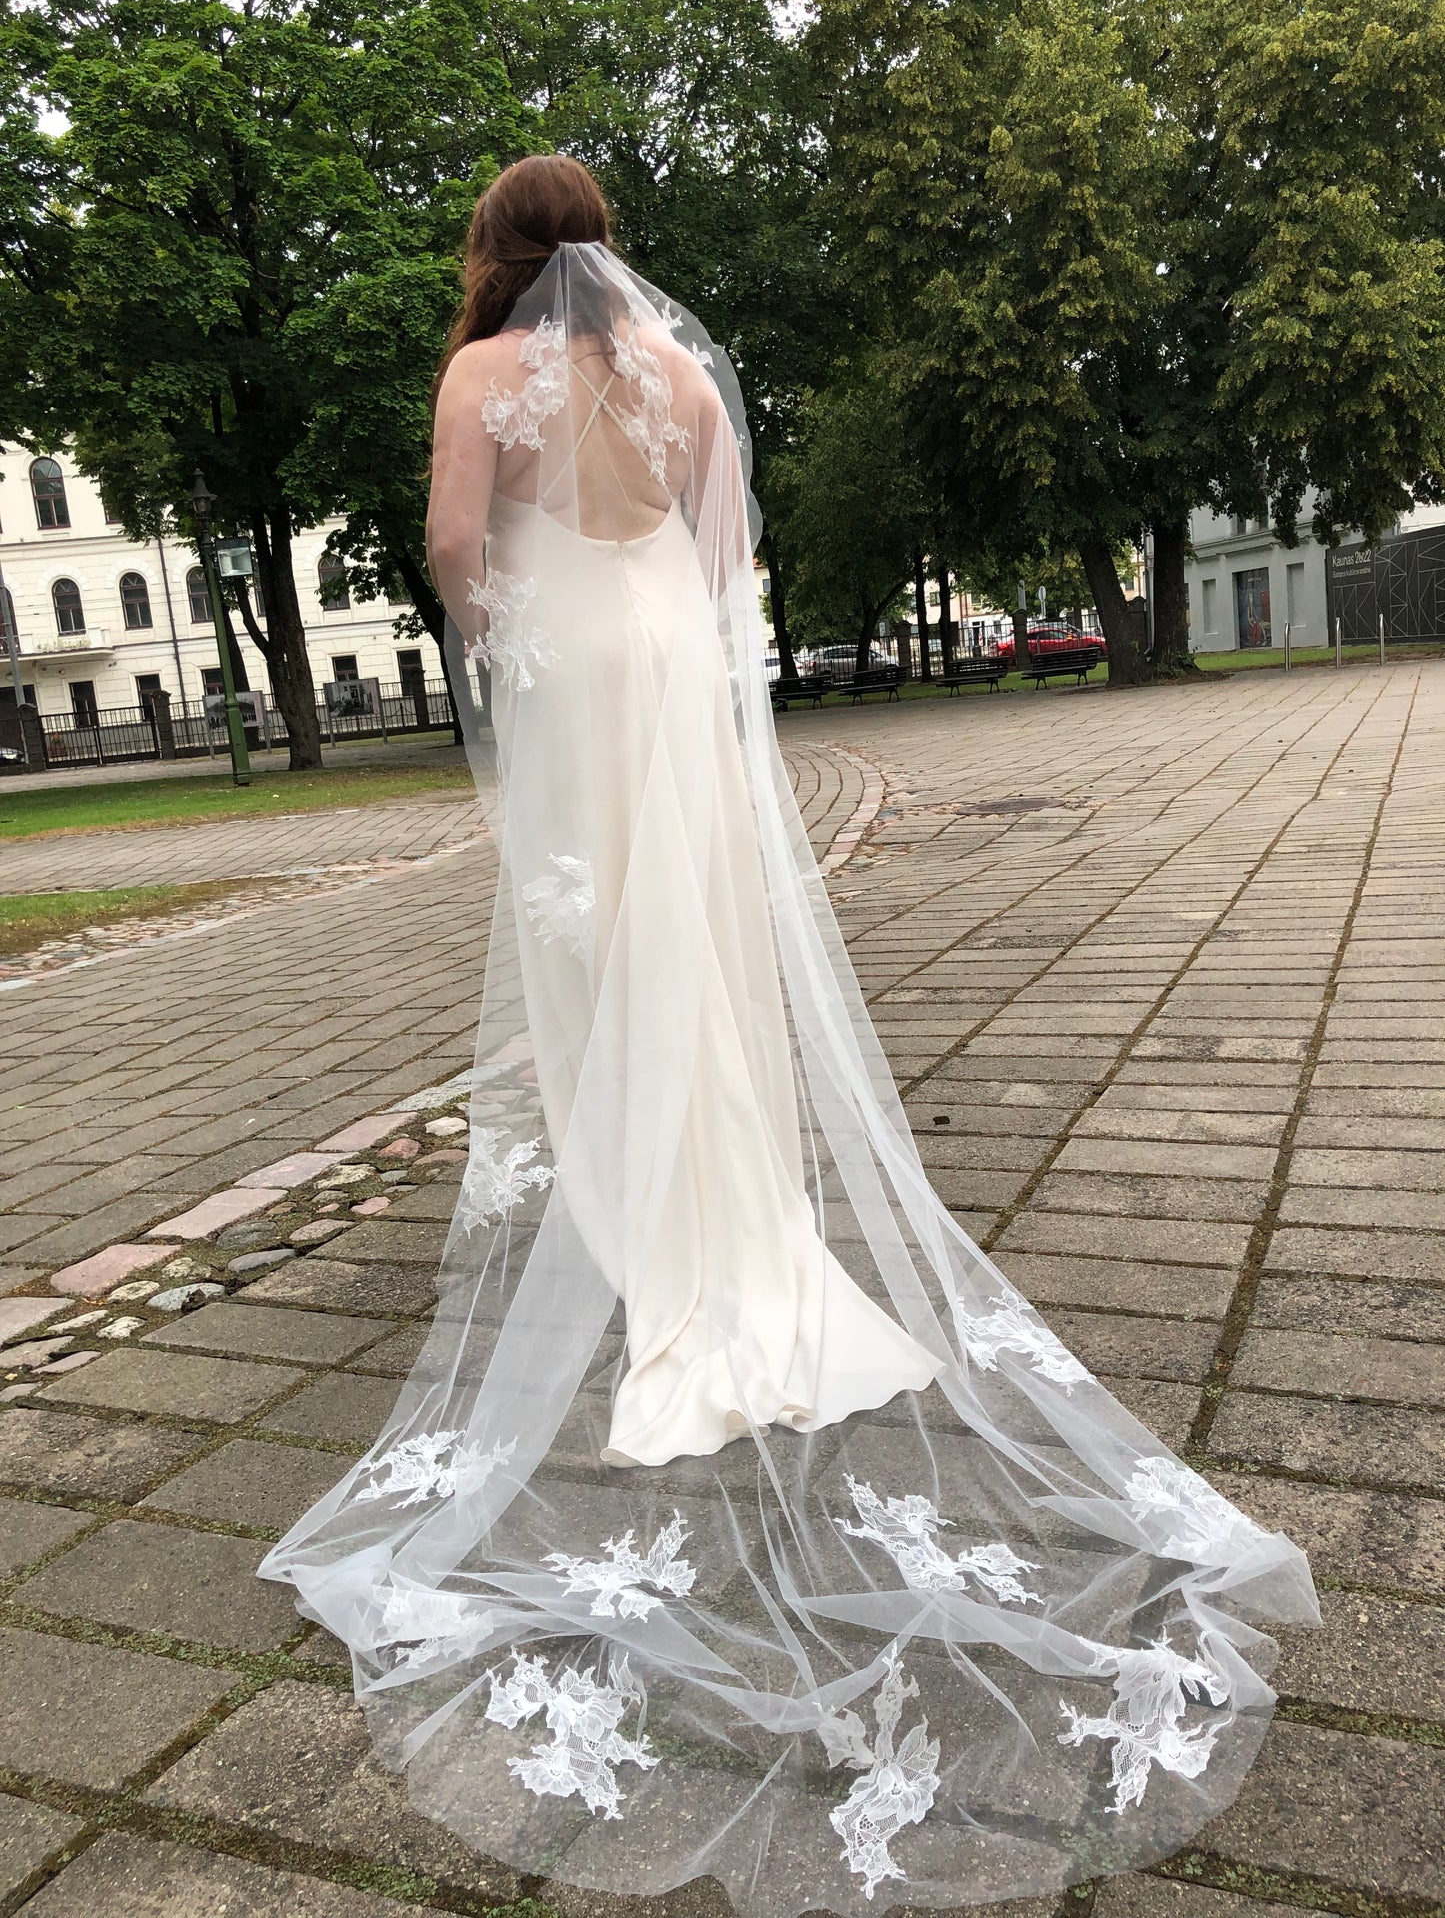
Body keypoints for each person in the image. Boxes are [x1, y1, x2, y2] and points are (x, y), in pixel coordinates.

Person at [262, 155, 1316, 1915]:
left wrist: (507, 628)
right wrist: (655, 614)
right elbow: (733, 554)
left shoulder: (478, 374)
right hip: (669, 658)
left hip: (578, 668)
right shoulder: (675, 371)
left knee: (596, 958)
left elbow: (454, 543)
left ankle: (642, 1226)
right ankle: (734, 1224)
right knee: (701, 944)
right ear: (607, 241)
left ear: (497, 250)